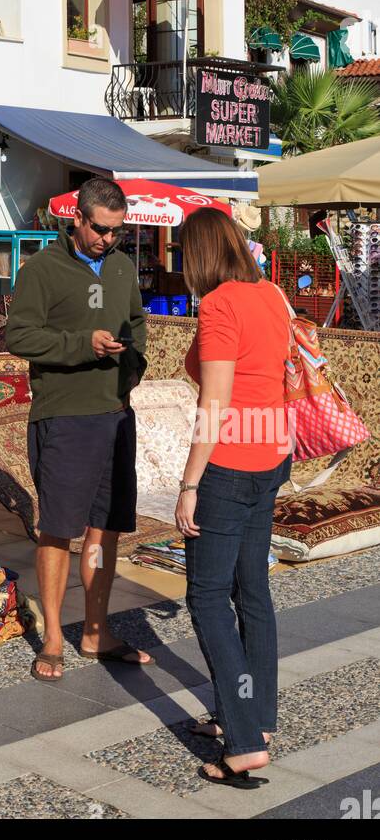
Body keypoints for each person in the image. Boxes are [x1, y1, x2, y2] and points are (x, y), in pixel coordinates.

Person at [6, 176, 150, 681]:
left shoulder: (123, 267)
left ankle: (95, 630)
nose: (108, 239)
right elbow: (19, 335)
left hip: (115, 414)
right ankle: (50, 639)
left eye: (117, 231)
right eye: (101, 229)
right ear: (78, 220)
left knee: (104, 526)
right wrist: (81, 345)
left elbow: (137, 322)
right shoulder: (41, 269)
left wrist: (134, 362)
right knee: (59, 529)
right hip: (65, 417)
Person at [176, 207, 291, 789]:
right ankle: (257, 717)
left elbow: (213, 404)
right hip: (273, 453)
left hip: (230, 464)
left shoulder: (218, 304)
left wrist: (189, 484)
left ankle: (242, 743)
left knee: (207, 596)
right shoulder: (271, 293)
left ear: (197, 253)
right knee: (253, 590)